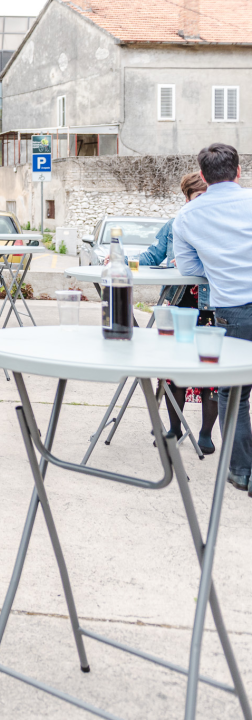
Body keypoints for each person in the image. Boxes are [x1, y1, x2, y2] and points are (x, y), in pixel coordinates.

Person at [174, 143, 252, 493]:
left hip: (233, 309)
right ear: (238, 171)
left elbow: (189, 269)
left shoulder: (187, 216)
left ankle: (241, 471)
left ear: (203, 176)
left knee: (234, 393)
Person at [140, 172, 217, 453]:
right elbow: (151, 257)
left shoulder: (220, 226)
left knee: (211, 372)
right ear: (186, 198)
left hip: (210, 309)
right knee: (173, 370)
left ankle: (206, 434)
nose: (203, 203)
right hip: (179, 304)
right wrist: (122, 259)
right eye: (198, 197)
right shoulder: (174, 225)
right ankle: (174, 428)